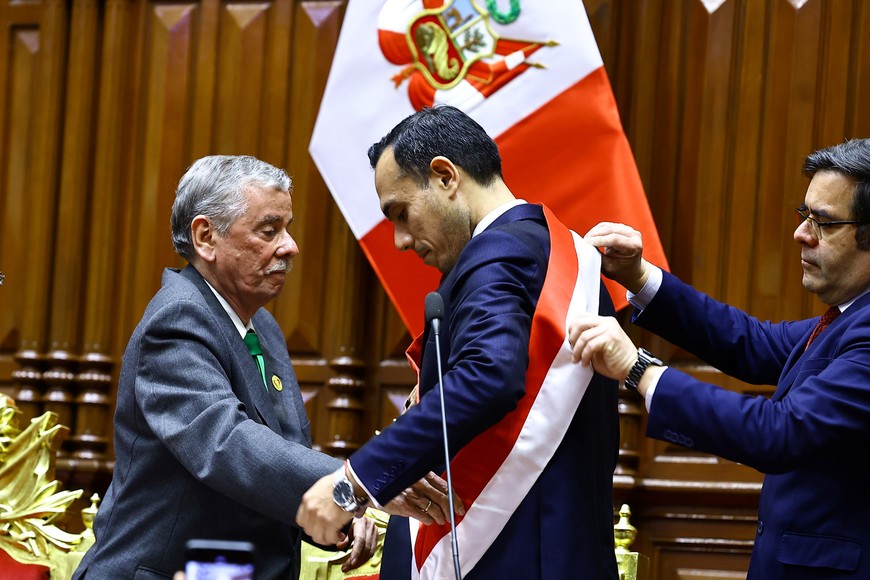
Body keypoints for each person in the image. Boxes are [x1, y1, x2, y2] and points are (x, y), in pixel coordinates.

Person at [296, 105, 620, 579]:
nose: (401, 240)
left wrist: (353, 481)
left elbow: (488, 375)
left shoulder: (498, 254)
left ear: (445, 176)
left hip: (514, 557)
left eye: (401, 213)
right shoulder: (556, 249)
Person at [73, 155, 386, 579]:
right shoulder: (177, 320)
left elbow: (276, 454)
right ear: (206, 237)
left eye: (287, 228)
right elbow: (227, 445)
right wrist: (349, 481)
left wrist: (338, 510)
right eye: (269, 230)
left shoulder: (263, 326)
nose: (290, 246)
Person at [568, 138, 870, 579]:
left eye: (823, 222)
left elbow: (782, 432)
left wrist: (639, 369)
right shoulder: (848, 317)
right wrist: (639, 275)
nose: (801, 234)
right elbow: (753, 343)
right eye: (804, 215)